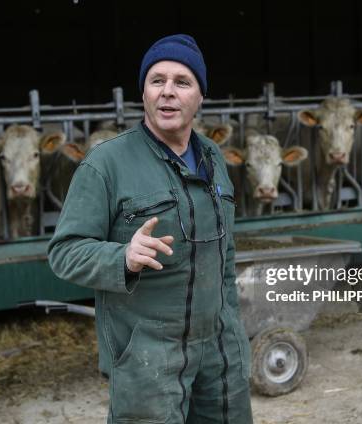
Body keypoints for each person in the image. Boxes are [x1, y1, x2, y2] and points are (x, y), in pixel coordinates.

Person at [48, 34, 253, 423]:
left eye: (182, 82)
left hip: (220, 351)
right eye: (157, 81)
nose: (168, 93)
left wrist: (234, 333)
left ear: (200, 97)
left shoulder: (213, 159)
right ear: (142, 93)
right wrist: (121, 256)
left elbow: (225, 258)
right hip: (148, 357)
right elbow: (64, 252)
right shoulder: (106, 164)